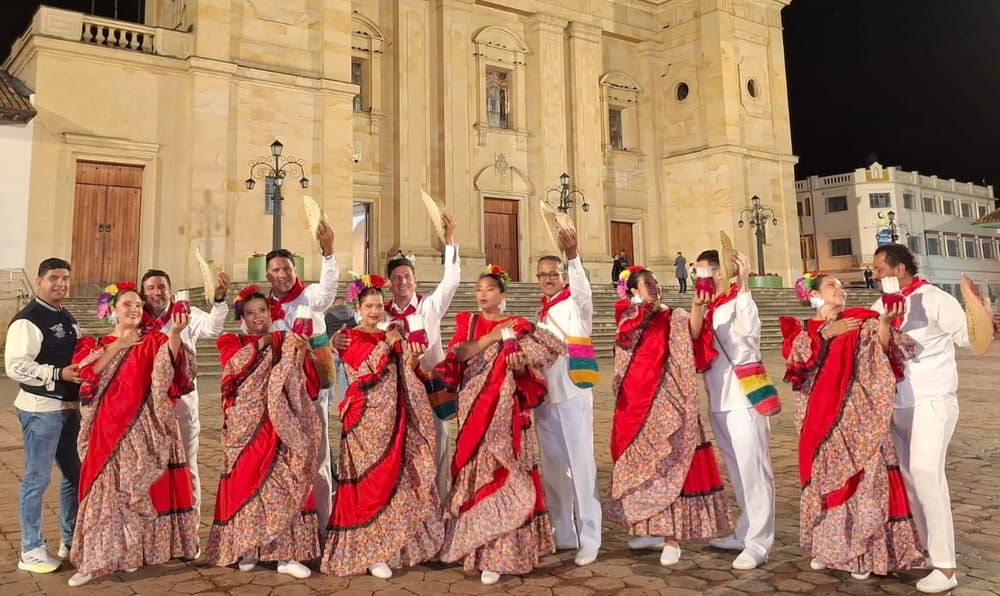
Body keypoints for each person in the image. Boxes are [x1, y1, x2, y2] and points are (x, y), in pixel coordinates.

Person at [781, 272, 924, 580]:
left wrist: (885, 322)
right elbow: (797, 363)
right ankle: (827, 547)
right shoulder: (803, 329)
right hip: (818, 416)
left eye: (842, 286)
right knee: (823, 479)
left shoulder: (861, 319)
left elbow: (885, 349)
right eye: (833, 285)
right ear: (814, 295)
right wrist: (826, 334)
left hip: (859, 413)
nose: (840, 290)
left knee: (863, 478)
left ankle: (862, 551)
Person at [436, 265, 564, 585]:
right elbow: (459, 354)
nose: (482, 294)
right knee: (477, 476)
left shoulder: (519, 326)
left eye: (489, 289)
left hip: (506, 411)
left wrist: (520, 368)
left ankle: (502, 553)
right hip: (473, 408)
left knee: (505, 476)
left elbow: (538, 365)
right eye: (479, 289)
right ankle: (477, 548)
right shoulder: (468, 323)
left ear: (503, 295)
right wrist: (492, 336)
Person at [68, 282, 198, 586]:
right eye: (128, 304)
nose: (135, 309)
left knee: (134, 496)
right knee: (102, 495)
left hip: (141, 428)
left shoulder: (153, 341)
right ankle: (92, 561)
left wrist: (177, 334)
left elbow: (173, 369)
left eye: (139, 305)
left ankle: (129, 555)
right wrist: (116, 347)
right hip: (105, 430)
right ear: (112, 309)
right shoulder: (93, 342)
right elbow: (85, 374)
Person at [321, 274, 443, 578]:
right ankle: (370, 551)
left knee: (394, 480)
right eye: (369, 306)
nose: (375, 311)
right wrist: (389, 343)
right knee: (369, 483)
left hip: (394, 414)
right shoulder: (349, 336)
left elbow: (405, 370)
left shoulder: (391, 333)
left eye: (378, 306)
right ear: (358, 307)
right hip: (364, 420)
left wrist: (410, 354)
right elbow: (367, 368)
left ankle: (391, 546)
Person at [607, 266, 730, 566]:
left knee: (672, 466)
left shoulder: (671, 316)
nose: (654, 286)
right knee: (645, 469)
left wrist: (698, 305)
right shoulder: (627, 320)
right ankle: (648, 526)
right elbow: (624, 356)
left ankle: (672, 538)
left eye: (655, 281)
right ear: (633, 290)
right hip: (636, 405)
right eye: (647, 283)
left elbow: (694, 331)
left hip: (669, 401)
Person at [332, 213, 460, 500]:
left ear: (414, 280)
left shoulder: (430, 307)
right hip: (395, 396)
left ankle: (438, 506)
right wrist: (332, 339)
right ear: (389, 282)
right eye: (396, 277)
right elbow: (357, 334)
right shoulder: (382, 313)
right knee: (403, 453)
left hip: (429, 388)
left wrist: (449, 241)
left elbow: (451, 281)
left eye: (407, 277)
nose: (402, 282)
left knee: (438, 444)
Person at [870, 244, 970, 593]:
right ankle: (926, 549)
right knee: (910, 479)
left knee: (928, 474)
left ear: (899, 269)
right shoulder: (879, 306)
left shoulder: (936, 299)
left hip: (933, 398)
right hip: (897, 405)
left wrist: (980, 315)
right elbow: (871, 350)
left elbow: (969, 338)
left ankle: (946, 567)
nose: (875, 275)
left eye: (880, 269)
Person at [204, 286, 322, 579]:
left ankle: (285, 554)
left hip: (282, 423)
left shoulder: (287, 340)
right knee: (246, 482)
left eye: (262, 311)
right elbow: (233, 367)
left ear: (272, 312)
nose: (257, 317)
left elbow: (309, 380)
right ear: (242, 317)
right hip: (246, 425)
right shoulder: (231, 340)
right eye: (250, 313)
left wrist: (303, 351)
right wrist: (267, 341)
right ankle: (248, 548)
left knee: (284, 484)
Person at [690, 250, 776, 570]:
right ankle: (744, 531)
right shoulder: (709, 308)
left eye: (707, 272)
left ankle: (759, 542)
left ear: (721, 272)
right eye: (698, 273)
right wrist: (698, 303)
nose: (703, 278)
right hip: (718, 399)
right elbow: (693, 338)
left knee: (754, 471)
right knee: (738, 472)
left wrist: (744, 285)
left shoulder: (738, 302)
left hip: (745, 397)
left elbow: (751, 329)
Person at [5, 258, 82, 573]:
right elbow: (15, 365)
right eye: (54, 278)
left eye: (65, 278)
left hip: (67, 409)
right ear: (39, 281)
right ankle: (31, 550)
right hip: (40, 411)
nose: (60, 284)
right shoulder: (28, 319)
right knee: (37, 480)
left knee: (73, 476)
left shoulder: (67, 317)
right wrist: (58, 372)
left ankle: (70, 538)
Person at [140, 267, 230, 528]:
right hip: (147, 403)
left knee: (187, 462)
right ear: (144, 293)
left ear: (170, 290)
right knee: (150, 464)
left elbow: (213, 329)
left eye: (162, 287)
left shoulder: (184, 313)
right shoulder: (138, 317)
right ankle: (155, 527)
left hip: (181, 399)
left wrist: (220, 299)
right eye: (152, 288)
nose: (157, 292)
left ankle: (190, 527)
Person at [533, 228, 602, 567]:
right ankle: (563, 531)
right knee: (554, 468)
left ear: (562, 276)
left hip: (574, 391)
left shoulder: (576, 302)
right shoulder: (541, 313)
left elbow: (584, 289)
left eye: (552, 274)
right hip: (546, 398)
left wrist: (573, 254)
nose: (547, 279)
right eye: (542, 275)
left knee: (582, 465)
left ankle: (590, 536)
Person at [264, 219, 339, 532]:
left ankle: (323, 525)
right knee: (282, 459)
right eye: (275, 271)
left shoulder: (311, 297)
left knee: (318, 455)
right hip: (280, 396)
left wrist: (328, 253)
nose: (282, 275)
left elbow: (329, 290)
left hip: (312, 391)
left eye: (286, 269)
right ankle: (288, 525)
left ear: (294, 269)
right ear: (268, 275)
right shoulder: (262, 309)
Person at [324, 297, 356, 403]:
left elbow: (324, 334)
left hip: (332, 351)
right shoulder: (354, 315)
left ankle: (327, 407)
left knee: (328, 382)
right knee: (345, 381)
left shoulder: (328, 316)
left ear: (334, 304)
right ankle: (344, 407)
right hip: (348, 352)